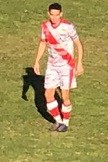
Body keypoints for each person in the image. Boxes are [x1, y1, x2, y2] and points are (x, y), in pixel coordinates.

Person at [32, 3, 84, 132]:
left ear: (61, 14)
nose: (54, 17)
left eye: (57, 15)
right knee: (48, 94)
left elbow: (78, 44)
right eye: (52, 14)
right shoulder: (45, 27)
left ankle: (65, 122)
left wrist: (79, 63)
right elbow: (43, 43)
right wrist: (37, 61)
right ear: (48, 14)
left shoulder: (68, 27)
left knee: (65, 97)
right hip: (52, 65)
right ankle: (59, 122)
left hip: (66, 66)